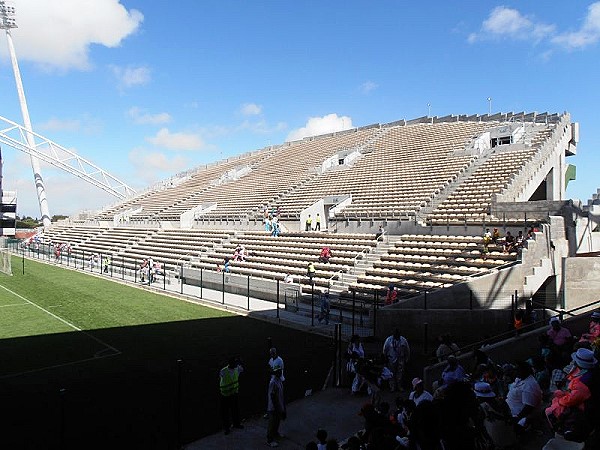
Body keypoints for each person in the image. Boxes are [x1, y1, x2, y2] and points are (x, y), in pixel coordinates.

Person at [545, 348, 597, 439]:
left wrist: (560, 400)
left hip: (585, 406)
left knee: (551, 409)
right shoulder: (592, 372)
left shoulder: (582, 382)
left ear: (578, 363)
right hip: (590, 399)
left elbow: (571, 400)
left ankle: (559, 429)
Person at [505, 360, 543, 431]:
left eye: (517, 369)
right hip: (509, 409)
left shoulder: (529, 386)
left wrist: (517, 418)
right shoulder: (520, 379)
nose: (515, 371)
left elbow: (529, 407)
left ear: (524, 370)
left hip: (518, 415)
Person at [219, 357, 244, 435]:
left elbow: (242, 368)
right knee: (226, 412)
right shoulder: (224, 371)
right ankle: (227, 427)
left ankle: (236, 424)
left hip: (233, 394)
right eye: (235, 363)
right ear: (230, 364)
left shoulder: (236, 369)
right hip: (225, 395)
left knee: (235, 410)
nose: (236, 365)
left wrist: (240, 363)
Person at [266, 366, 286, 447]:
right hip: (273, 408)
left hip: (278, 406)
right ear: (275, 373)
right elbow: (273, 396)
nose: (281, 372)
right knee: (272, 423)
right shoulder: (273, 382)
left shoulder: (279, 380)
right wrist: (278, 408)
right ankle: (269, 440)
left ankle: (276, 434)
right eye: (279, 371)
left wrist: (282, 407)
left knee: (277, 421)